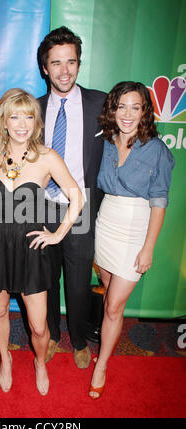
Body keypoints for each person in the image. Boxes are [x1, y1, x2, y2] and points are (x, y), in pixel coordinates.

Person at [0, 88, 84, 395]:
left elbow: (77, 196)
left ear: (37, 122)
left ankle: (39, 362)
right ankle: (5, 359)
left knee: (38, 326)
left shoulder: (47, 157)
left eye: (29, 116)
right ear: (4, 121)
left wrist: (58, 233)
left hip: (32, 249)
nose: (22, 123)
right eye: (14, 116)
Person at [89, 81, 175, 399]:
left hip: (135, 230)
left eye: (135, 107)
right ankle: (105, 348)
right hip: (106, 223)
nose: (127, 114)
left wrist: (148, 247)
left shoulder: (157, 150)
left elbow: (159, 202)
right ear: (113, 109)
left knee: (113, 305)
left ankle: (102, 365)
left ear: (144, 111)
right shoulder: (105, 142)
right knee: (110, 294)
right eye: (121, 106)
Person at [37, 26, 107, 368]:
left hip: (80, 209)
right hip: (40, 209)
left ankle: (78, 339)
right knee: (46, 279)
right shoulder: (32, 109)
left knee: (79, 282)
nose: (64, 70)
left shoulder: (101, 103)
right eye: (56, 63)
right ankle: (50, 334)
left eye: (71, 62)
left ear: (78, 65)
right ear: (45, 68)